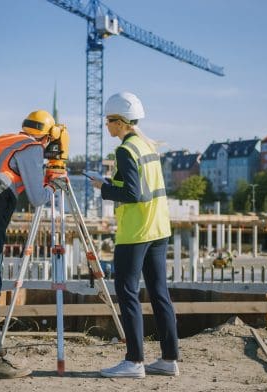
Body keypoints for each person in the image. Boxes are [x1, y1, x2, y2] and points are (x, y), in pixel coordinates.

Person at [0, 110, 66, 379]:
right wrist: (54, 186)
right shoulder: (32, 148)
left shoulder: (8, 140)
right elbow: (37, 198)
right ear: (47, 137)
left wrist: (43, 180)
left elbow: (15, 179)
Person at [92, 92, 179, 378]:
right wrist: (111, 183)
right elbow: (139, 185)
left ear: (120, 122)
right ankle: (168, 359)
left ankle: (134, 361)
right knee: (159, 293)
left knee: (127, 292)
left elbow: (132, 192)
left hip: (136, 231)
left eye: (108, 121)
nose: (106, 126)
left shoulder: (126, 150)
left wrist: (102, 188)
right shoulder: (146, 146)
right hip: (158, 228)